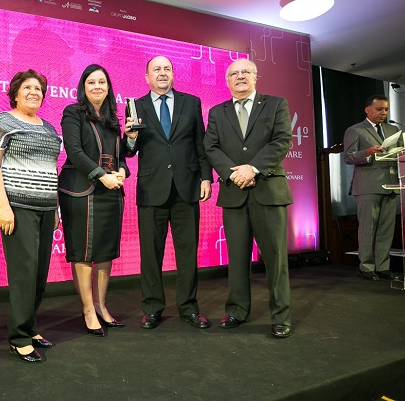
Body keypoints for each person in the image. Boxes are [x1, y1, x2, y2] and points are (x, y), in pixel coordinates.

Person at [203, 58, 293, 338]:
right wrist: (234, 174)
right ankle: (237, 311)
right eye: (234, 73)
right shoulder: (217, 112)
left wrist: (252, 168)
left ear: (256, 77)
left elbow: (282, 140)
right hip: (234, 193)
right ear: (227, 80)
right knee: (237, 259)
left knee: (276, 260)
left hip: (269, 192)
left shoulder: (276, 104)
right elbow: (211, 146)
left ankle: (281, 316)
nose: (240, 76)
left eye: (245, 72)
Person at [123, 56, 212, 330]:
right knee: (151, 254)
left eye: (167, 69)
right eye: (156, 70)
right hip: (152, 190)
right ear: (146, 76)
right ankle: (152, 308)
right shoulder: (135, 105)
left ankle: (189, 307)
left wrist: (206, 177)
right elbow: (129, 151)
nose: (162, 73)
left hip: (186, 188)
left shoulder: (191, 102)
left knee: (188, 252)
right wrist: (130, 137)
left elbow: (201, 143)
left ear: (173, 74)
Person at [0, 69, 62, 362]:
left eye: (39, 89)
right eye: (28, 88)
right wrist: (3, 207)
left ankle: (30, 327)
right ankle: (18, 338)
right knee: (23, 273)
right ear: (16, 92)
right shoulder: (4, 121)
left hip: (45, 209)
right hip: (18, 208)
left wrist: (55, 208)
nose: (34, 92)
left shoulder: (49, 128)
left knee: (40, 273)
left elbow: (51, 171)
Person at [58, 64, 129, 337]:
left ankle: (101, 306)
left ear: (108, 87)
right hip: (81, 190)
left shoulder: (112, 118)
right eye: (91, 82)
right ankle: (88, 310)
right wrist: (102, 175)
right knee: (84, 254)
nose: (97, 86)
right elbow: (74, 152)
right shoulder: (73, 113)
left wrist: (122, 170)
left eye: (101, 82)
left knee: (105, 254)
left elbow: (121, 154)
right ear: (83, 87)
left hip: (111, 190)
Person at [343, 95, 401, 281]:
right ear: (367, 109)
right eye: (379, 109)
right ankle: (366, 267)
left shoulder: (393, 130)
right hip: (368, 186)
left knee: (386, 230)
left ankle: (382, 267)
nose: (384, 113)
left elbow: (401, 153)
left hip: (390, 184)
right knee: (368, 229)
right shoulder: (356, 130)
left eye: (386, 109)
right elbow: (348, 157)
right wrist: (367, 152)